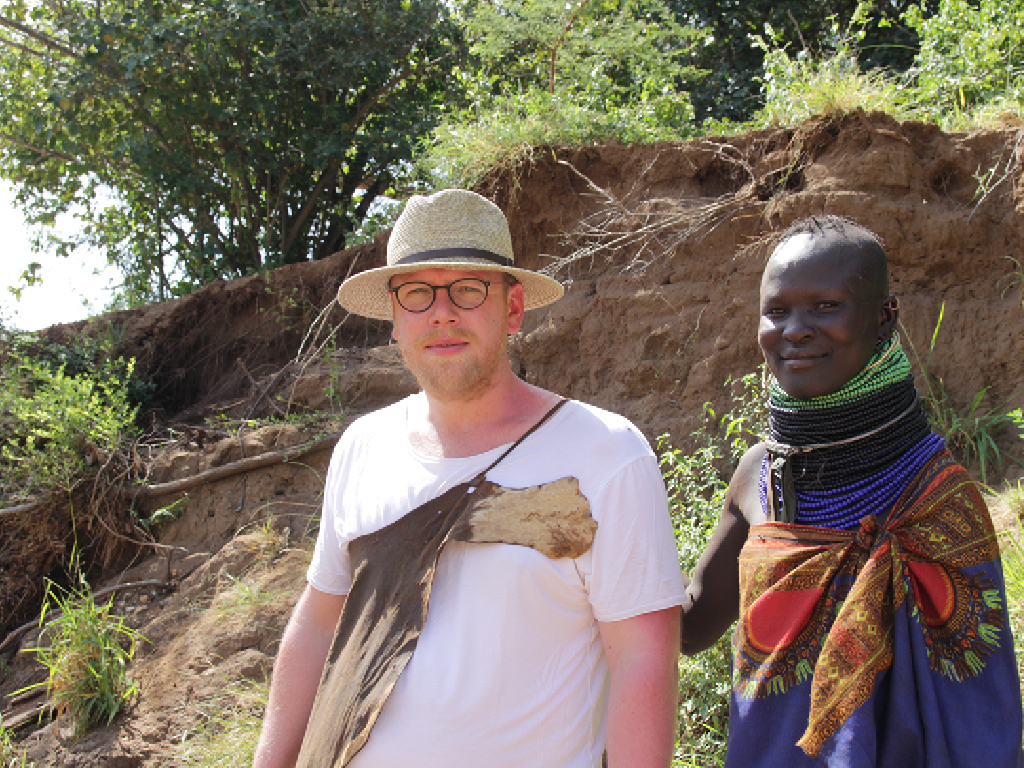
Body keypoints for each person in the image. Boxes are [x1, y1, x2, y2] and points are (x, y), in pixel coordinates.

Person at [253, 189, 686, 768]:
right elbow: (317, 622)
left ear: (512, 310)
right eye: (416, 293)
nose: (441, 312)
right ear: (394, 320)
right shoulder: (363, 447)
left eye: (468, 288)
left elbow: (643, 661)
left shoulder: (606, 455)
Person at [680, 215, 1022, 767]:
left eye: (824, 306)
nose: (794, 329)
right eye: (777, 310)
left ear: (885, 317)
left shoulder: (935, 496)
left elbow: (982, 710)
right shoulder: (756, 475)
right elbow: (691, 630)